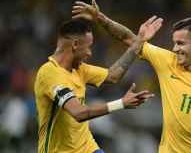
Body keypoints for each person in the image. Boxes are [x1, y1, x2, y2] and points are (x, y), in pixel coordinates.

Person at [72, 0, 191, 153]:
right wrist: (101, 18)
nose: (175, 48)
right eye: (174, 43)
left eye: (181, 43)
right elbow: (129, 39)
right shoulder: (167, 61)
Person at [34, 19, 156, 153]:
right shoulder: (50, 74)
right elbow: (79, 113)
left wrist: (139, 41)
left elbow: (113, 75)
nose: (89, 53)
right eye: (88, 46)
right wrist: (121, 103)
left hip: (88, 149)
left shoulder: (80, 69)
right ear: (75, 44)